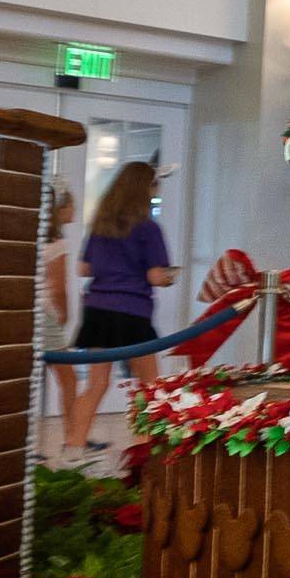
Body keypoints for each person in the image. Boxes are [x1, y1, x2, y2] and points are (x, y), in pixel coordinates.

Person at [67, 161, 175, 455]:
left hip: (98, 310)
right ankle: (145, 450)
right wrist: (169, 277)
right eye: (154, 187)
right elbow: (155, 275)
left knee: (96, 384)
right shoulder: (149, 229)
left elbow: (83, 268)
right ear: (145, 189)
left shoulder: (100, 226)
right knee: (149, 386)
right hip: (132, 313)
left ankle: (73, 448)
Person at [38, 185, 74, 463]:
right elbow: (58, 285)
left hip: (28, 313)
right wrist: (65, 313)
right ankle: (72, 437)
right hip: (47, 316)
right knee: (68, 379)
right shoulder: (57, 242)